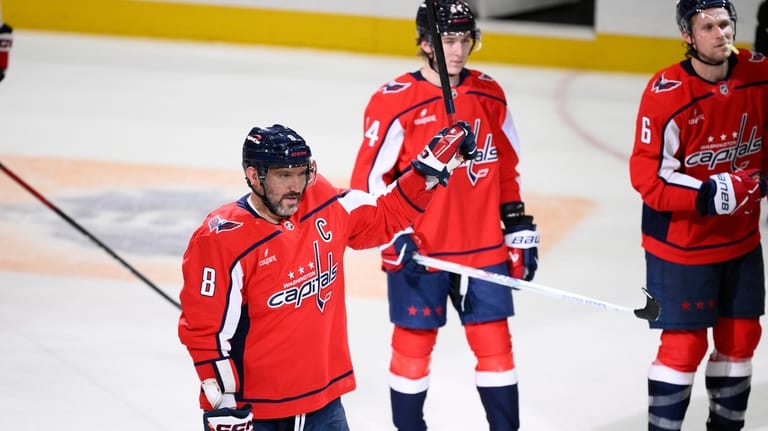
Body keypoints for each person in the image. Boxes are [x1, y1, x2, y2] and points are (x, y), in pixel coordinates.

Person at [178, 122, 476, 431]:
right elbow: (205, 332)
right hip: (258, 412)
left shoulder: (320, 199)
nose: (296, 186)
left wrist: (427, 172)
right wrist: (223, 403)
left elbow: (384, 215)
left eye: (301, 173)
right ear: (254, 176)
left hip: (324, 405)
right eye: (284, 175)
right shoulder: (222, 238)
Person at [349, 1, 538, 430]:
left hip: (483, 247)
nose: (458, 50)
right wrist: (392, 235)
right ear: (424, 43)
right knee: (412, 351)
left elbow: (506, 167)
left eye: (465, 39)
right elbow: (368, 181)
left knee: (496, 350)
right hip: (421, 249)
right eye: (448, 40)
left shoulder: (489, 93)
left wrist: (516, 224)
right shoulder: (394, 100)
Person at [629, 1, 768, 430]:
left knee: (742, 338)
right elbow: (648, 177)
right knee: (684, 346)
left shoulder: (759, 75)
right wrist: (708, 194)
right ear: (687, 36)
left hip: (740, 239)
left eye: (725, 24)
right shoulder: (666, 92)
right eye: (707, 27)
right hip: (681, 245)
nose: (720, 33)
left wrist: (760, 183)